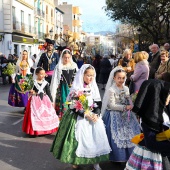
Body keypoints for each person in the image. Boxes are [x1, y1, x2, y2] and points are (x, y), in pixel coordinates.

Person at [50, 64, 111, 170]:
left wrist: (96, 114)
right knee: (77, 141)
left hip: (92, 118)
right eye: (88, 75)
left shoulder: (93, 87)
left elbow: (97, 102)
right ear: (82, 75)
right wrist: (84, 114)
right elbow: (71, 104)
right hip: (79, 117)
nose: (90, 78)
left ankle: (96, 162)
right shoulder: (76, 88)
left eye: (92, 75)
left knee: (95, 141)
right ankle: (76, 160)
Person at [125, 79, 170, 170]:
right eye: (168, 95)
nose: (169, 98)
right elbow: (150, 143)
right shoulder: (149, 117)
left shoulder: (162, 110)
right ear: (157, 95)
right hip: (154, 156)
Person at [102, 66, 141, 163]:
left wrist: (131, 102)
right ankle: (116, 156)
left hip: (126, 114)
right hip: (114, 114)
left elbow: (127, 99)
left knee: (130, 133)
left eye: (123, 78)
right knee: (115, 135)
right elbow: (111, 105)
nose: (121, 80)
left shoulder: (126, 88)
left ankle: (130, 156)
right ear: (114, 78)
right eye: (119, 78)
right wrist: (124, 107)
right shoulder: (112, 90)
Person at [22, 67, 59, 136]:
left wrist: (51, 101)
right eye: (41, 74)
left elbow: (48, 92)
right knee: (35, 115)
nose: (42, 75)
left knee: (45, 114)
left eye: (43, 74)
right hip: (35, 100)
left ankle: (45, 129)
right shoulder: (33, 82)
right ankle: (34, 130)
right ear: (36, 74)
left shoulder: (46, 83)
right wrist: (31, 91)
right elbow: (30, 91)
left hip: (45, 100)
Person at [50, 49, 78, 119]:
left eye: (68, 57)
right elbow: (55, 80)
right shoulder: (59, 67)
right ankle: (63, 118)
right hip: (62, 89)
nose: (67, 59)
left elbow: (77, 77)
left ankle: (71, 117)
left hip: (72, 89)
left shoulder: (74, 66)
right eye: (65, 57)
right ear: (62, 57)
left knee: (72, 103)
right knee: (64, 103)